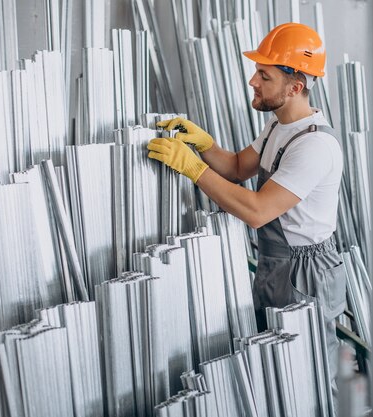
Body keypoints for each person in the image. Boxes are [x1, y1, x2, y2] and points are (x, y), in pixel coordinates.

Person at [147, 22, 347, 384]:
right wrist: (205, 146)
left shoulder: (314, 146)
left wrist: (192, 169)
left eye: (264, 76)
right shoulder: (278, 127)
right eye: (256, 71)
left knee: (310, 372)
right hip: (277, 262)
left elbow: (257, 211)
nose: (253, 81)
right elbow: (239, 168)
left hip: (305, 272)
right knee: (275, 366)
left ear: (295, 86)